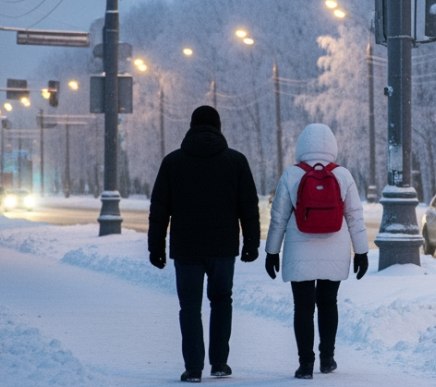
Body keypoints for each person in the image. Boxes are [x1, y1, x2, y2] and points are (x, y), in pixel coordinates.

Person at [149, 105, 260, 383]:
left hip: (186, 247)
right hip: (223, 246)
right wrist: (251, 242)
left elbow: (160, 208)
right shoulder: (236, 161)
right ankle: (220, 363)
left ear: (191, 126)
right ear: (218, 128)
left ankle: (193, 368)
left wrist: (156, 246)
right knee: (222, 301)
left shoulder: (173, 162)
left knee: (189, 307)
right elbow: (248, 206)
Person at [264, 123, 369, 379]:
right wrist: (362, 252)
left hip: (299, 250)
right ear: (332, 147)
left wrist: (272, 252)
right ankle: (327, 358)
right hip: (336, 248)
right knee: (328, 303)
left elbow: (278, 217)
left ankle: (305, 364)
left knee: (302, 307)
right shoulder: (343, 175)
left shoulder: (291, 175)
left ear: (302, 146)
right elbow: (354, 216)